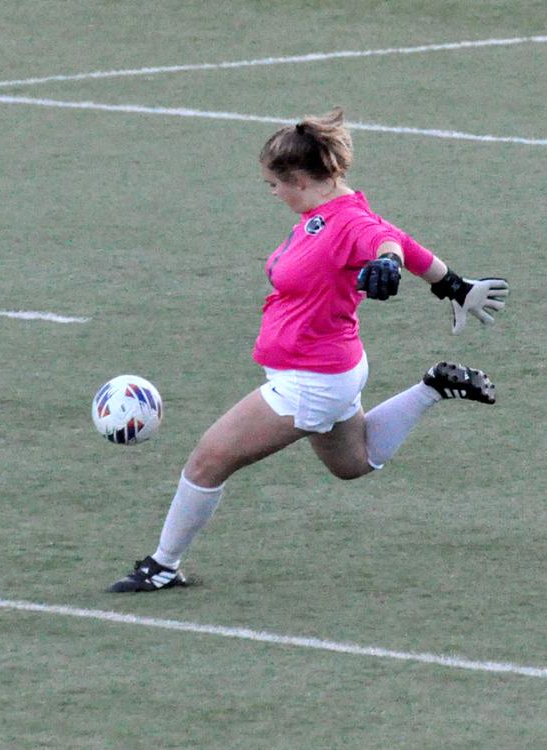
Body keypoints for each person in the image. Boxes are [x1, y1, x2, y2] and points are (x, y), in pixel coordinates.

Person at [108, 108, 508, 593]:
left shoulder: (347, 221)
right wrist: (453, 285)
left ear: (297, 179)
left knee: (208, 461)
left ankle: (161, 566)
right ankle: (432, 387)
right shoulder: (324, 213)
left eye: (272, 185)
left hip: (310, 378)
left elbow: (387, 242)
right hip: (333, 368)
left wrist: (387, 263)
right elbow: (404, 240)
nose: (272, 193)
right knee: (353, 464)